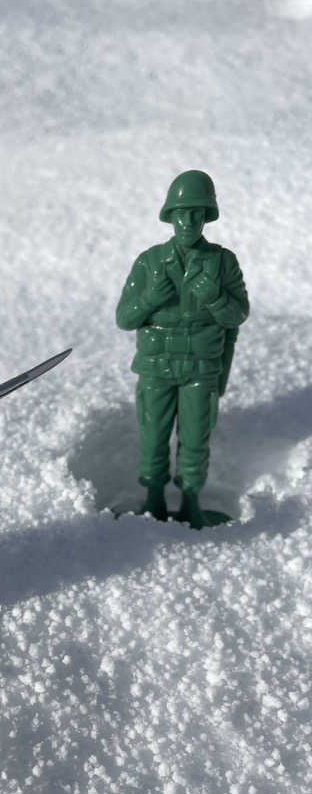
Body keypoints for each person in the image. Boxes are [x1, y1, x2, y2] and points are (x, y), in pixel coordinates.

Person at [115, 170, 249, 527]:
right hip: (157, 365)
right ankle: (153, 499)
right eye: (182, 212)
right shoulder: (150, 261)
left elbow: (238, 314)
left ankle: (192, 502)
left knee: (195, 438)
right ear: (170, 216)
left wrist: (215, 296)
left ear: (207, 216)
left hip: (200, 368)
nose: (189, 220)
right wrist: (149, 299)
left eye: (197, 212)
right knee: (153, 436)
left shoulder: (223, 262)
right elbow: (125, 318)